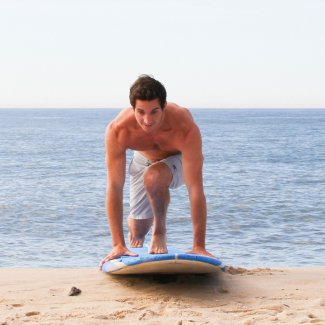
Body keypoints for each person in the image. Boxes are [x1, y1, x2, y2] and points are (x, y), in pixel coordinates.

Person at [99, 75, 214, 268]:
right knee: (137, 230)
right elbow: (115, 186)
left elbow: (195, 189)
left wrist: (199, 246)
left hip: (176, 159)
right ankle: (135, 239)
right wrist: (117, 244)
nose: (147, 120)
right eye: (140, 112)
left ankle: (159, 231)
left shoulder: (184, 128)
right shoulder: (118, 130)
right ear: (132, 108)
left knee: (154, 176)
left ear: (164, 106)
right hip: (142, 159)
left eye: (154, 112)